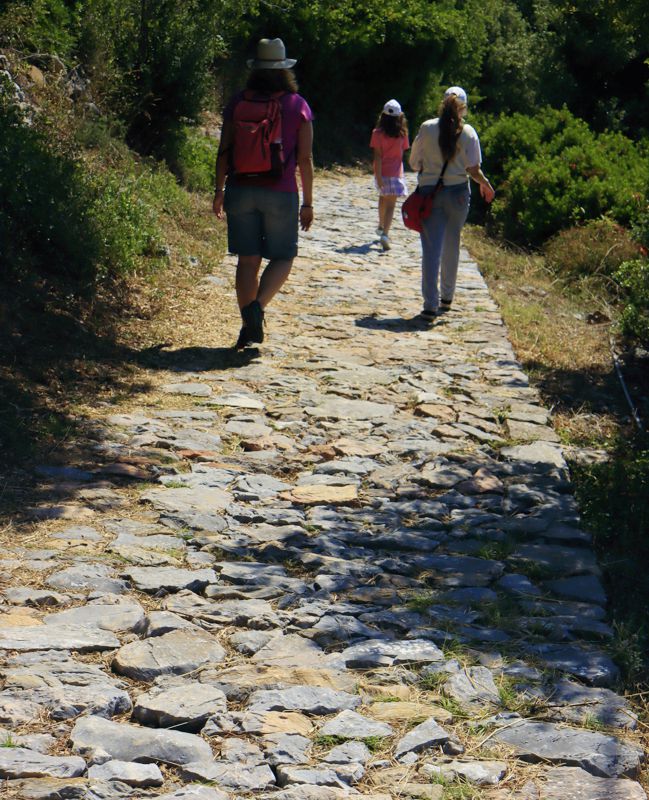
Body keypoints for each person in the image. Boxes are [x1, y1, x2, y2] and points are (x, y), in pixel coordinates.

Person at [213, 38, 314, 349]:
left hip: (241, 189)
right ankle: (256, 310)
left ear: (255, 69)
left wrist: (219, 190)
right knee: (283, 256)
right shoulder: (298, 105)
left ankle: (248, 324)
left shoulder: (238, 101)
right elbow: (305, 159)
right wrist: (308, 202)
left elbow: (224, 150)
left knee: (247, 260)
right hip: (280, 192)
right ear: (285, 70)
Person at [409, 86, 495, 322]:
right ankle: (447, 297)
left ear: (442, 103)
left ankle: (430, 305)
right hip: (458, 194)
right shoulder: (468, 132)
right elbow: (473, 169)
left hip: (430, 193)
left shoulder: (427, 128)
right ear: (463, 107)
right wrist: (485, 184)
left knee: (431, 249)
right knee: (452, 243)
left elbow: (414, 162)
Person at [370, 99, 409, 251]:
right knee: (391, 205)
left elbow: (378, 156)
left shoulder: (377, 134)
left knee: (382, 198)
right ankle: (385, 233)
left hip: (383, 173)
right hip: (396, 174)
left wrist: (378, 176)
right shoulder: (402, 134)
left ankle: (380, 225)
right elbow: (404, 151)